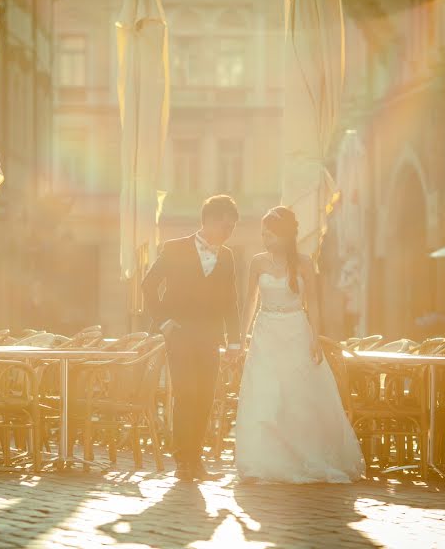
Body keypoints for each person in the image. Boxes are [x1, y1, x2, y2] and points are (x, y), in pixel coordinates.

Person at [234, 206, 364, 483]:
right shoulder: (257, 262)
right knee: (265, 394)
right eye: (262, 234)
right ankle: (262, 460)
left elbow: (313, 303)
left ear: (284, 236)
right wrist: (241, 340)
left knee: (298, 395)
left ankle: (304, 455)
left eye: (270, 235)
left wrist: (315, 337)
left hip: (296, 330)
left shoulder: (304, 263)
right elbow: (249, 302)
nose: (265, 239)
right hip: (265, 333)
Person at [142, 195, 242, 481]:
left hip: (210, 338)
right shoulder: (175, 249)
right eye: (226, 227)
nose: (228, 233)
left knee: (205, 398)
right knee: (186, 395)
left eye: (232, 229)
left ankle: (195, 460)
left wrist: (234, 341)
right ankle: (183, 462)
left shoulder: (227, 256)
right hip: (180, 335)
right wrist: (164, 322)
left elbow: (230, 302)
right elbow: (148, 285)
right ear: (209, 221)